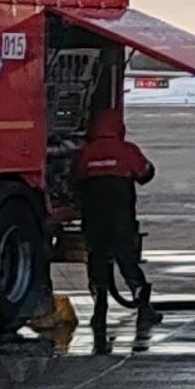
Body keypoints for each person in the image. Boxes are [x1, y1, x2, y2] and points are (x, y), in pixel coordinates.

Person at [75, 127, 155, 337]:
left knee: (98, 260)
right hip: (121, 218)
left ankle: (99, 311)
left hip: (94, 219)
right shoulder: (126, 150)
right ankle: (143, 305)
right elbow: (145, 174)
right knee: (127, 260)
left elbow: (75, 177)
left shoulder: (86, 152)